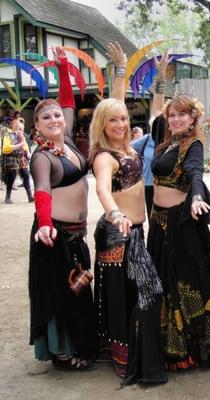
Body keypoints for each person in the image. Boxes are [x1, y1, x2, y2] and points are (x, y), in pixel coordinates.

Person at [90, 42, 167, 385]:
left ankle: (136, 355)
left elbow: (117, 105)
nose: (120, 123)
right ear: (102, 125)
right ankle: (131, 360)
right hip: (120, 233)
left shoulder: (127, 146)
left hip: (135, 232)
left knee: (137, 296)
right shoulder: (105, 155)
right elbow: (103, 188)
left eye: (123, 119)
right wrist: (114, 213)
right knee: (140, 296)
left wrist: (121, 71)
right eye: (113, 121)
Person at [28, 47, 96, 370]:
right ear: (37, 126)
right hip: (53, 236)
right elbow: (42, 190)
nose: (55, 118)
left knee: (79, 290)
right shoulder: (42, 157)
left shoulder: (66, 142)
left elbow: (67, 103)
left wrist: (65, 69)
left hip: (76, 235)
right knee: (61, 295)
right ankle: (63, 354)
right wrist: (44, 223)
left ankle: (80, 346)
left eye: (56, 115)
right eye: (46, 117)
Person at [147, 94, 210, 370]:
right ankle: (166, 345)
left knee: (186, 282)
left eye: (182, 115)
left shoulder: (193, 144)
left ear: (192, 119)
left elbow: (195, 172)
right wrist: (161, 83)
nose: (175, 119)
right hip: (158, 223)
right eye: (172, 115)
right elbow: (155, 114)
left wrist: (197, 197)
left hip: (179, 225)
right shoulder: (166, 143)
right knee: (162, 283)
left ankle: (193, 347)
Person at [2, 118, 31, 203]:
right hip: (12, 157)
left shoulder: (21, 135)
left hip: (22, 158)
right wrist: (20, 145)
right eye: (15, 123)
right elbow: (5, 149)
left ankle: (30, 196)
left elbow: (24, 145)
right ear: (11, 125)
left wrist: (28, 152)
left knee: (26, 175)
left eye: (18, 123)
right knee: (11, 178)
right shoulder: (7, 134)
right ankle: (8, 197)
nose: (18, 125)